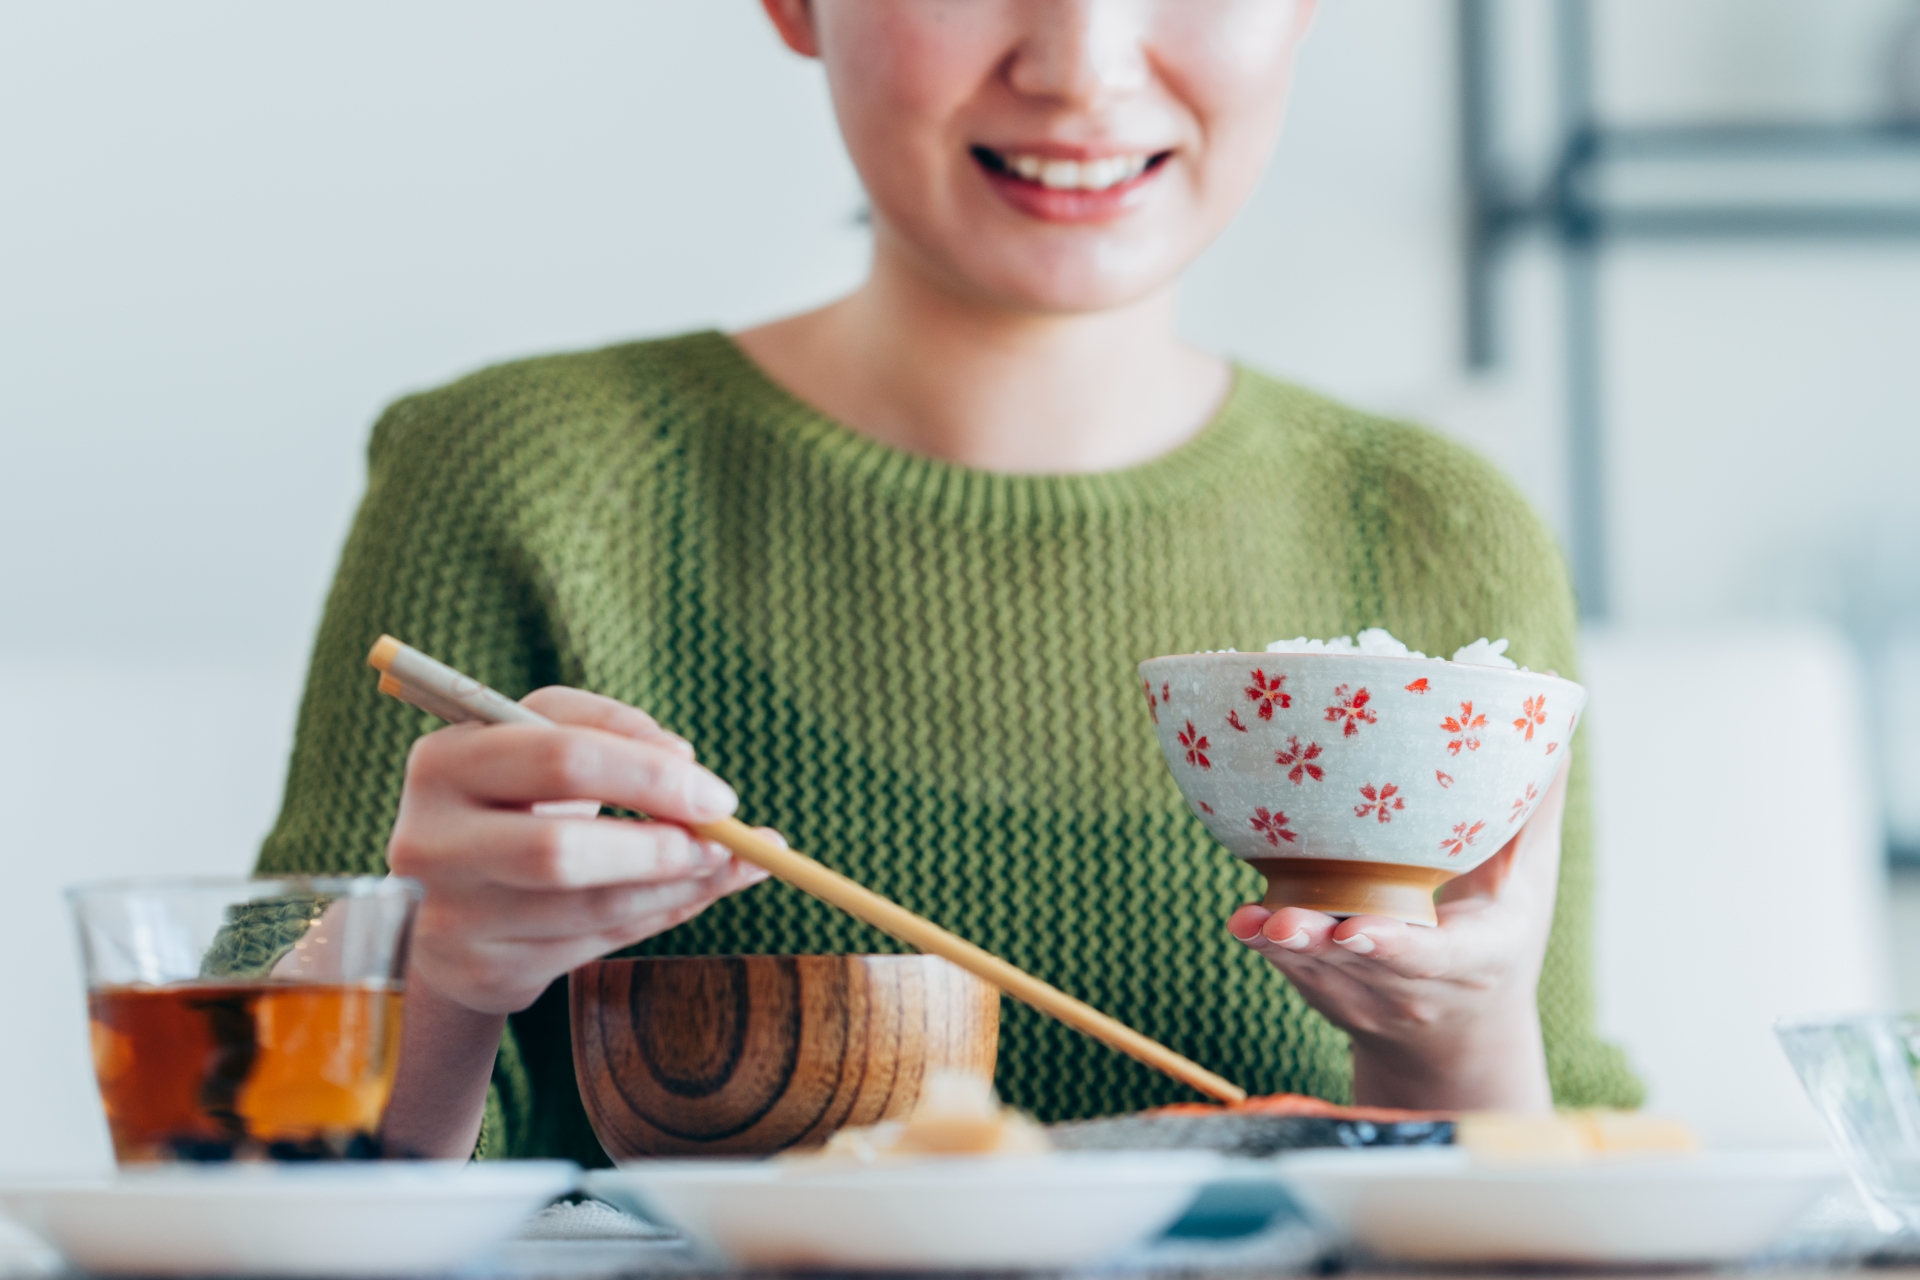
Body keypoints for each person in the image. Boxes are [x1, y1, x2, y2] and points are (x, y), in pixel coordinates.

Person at [257, 0, 1639, 1162]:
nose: (1082, 63)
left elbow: (1563, 1190)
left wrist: (1459, 1050)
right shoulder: (521, 480)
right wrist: (431, 975)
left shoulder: (1438, 530)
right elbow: (228, 1168)